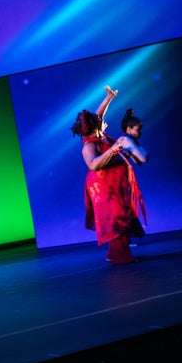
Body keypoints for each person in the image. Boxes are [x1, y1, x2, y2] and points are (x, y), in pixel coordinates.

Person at [70, 86, 147, 265]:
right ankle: (121, 257)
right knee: (116, 217)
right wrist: (112, 150)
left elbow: (98, 114)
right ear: (95, 126)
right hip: (103, 187)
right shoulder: (89, 146)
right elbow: (93, 164)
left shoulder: (99, 134)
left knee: (123, 213)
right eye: (99, 120)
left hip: (114, 185)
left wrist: (109, 97)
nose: (102, 118)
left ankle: (114, 253)